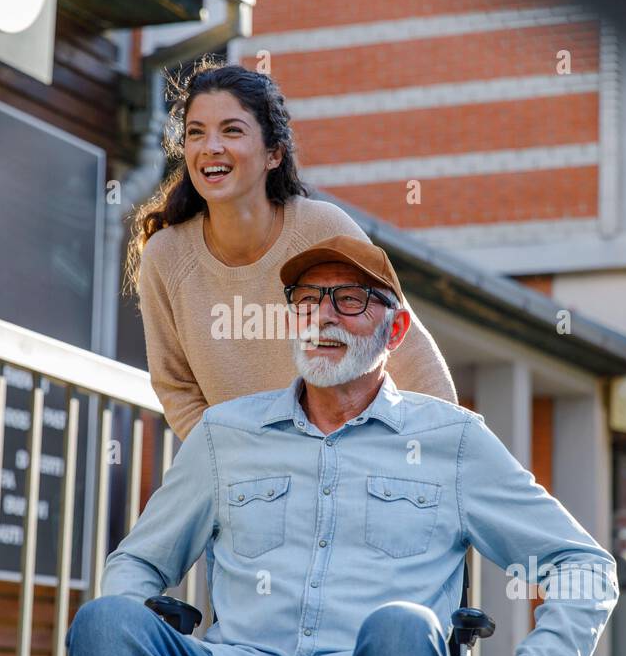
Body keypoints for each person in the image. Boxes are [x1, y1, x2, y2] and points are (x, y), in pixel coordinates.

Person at [66, 236, 619, 656]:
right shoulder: (225, 434)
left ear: (397, 329)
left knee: (403, 627)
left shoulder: (454, 442)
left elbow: (585, 567)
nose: (323, 315)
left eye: (349, 300)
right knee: (105, 623)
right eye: (306, 300)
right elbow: (138, 561)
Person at [123, 57, 457, 442]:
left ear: (274, 154)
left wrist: (444, 450)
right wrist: (229, 460)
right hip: (246, 479)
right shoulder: (165, 255)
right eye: (196, 133)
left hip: (348, 457)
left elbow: (407, 349)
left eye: (232, 131)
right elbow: (176, 387)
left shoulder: (322, 228)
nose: (211, 147)